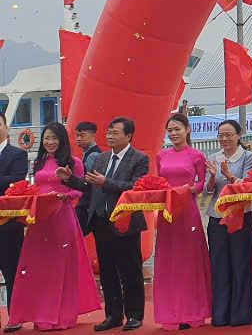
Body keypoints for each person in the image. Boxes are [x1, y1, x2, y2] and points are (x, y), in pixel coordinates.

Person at [7, 123, 98, 331]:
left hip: (61, 218)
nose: (49, 142)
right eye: (46, 138)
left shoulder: (73, 162)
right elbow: (36, 188)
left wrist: (65, 195)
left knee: (60, 268)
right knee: (38, 268)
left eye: (54, 138)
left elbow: (81, 191)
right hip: (40, 222)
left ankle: (61, 315)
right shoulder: (39, 162)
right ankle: (40, 313)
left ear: (62, 140)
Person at [69, 117, 149, 332]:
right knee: (107, 271)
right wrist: (69, 179)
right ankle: (113, 315)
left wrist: (107, 183)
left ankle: (134, 315)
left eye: (115, 133)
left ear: (128, 135)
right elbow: (88, 185)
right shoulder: (101, 158)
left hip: (125, 221)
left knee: (130, 270)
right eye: (109, 132)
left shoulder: (139, 158)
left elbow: (135, 187)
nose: (110, 136)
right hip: (101, 221)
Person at [153, 114, 212, 330]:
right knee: (169, 261)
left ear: (187, 130)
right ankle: (171, 312)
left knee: (189, 261)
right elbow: (159, 182)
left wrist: (189, 190)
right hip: (167, 213)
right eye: (170, 130)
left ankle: (193, 311)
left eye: (177, 129)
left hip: (187, 211)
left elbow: (202, 185)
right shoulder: (161, 156)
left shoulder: (197, 156)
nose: (173, 133)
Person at [204, 120, 252, 327]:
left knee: (241, 263)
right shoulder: (212, 158)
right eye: (221, 135)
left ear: (238, 135)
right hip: (217, 217)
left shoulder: (248, 156)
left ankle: (241, 314)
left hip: (240, 215)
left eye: (229, 135)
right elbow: (208, 192)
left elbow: (248, 185)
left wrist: (229, 176)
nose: (224, 139)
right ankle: (220, 314)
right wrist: (213, 177)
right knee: (219, 265)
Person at [0, 114, 27, 311]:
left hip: (8, 223)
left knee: (11, 271)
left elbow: (17, 181)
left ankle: (14, 315)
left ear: (6, 128)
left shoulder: (17, 154)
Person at [71, 122, 100, 234]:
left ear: (93, 136)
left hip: (88, 203)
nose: (78, 138)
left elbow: (88, 181)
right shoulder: (87, 153)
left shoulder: (93, 155)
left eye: (82, 135)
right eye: (77, 135)